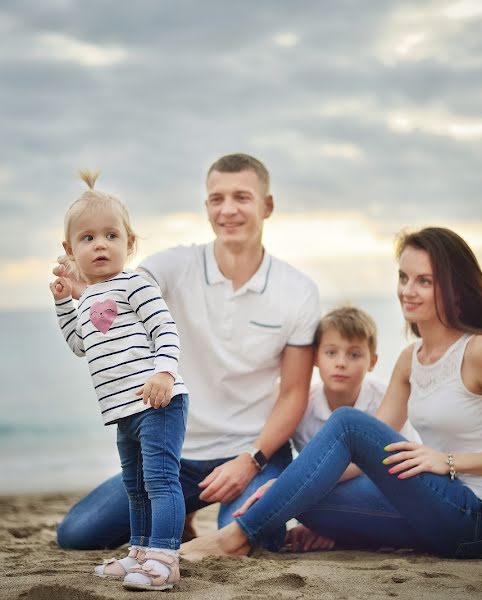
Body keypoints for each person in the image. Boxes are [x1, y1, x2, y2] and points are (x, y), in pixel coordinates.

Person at [180, 227, 482, 560]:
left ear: (455, 288)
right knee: (306, 497)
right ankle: (316, 527)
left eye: (424, 281)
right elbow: (365, 455)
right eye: (404, 278)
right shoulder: (411, 360)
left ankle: (234, 538)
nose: (408, 291)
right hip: (435, 511)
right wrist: (283, 486)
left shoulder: (481, 352)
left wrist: (449, 461)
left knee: (346, 423)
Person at [52, 154, 320, 551]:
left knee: (257, 538)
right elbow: (121, 286)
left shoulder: (298, 289)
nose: (228, 209)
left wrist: (251, 459)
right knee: (76, 534)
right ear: (207, 207)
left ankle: (202, 521)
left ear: (267, 206)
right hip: (177, 454)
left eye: (242, 197)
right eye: (216, 199)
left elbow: (294, 392)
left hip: (252, 451)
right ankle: (183, 515)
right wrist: (83, 283)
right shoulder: (174, 266)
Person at [52, 170, 187, 590]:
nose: (100, 245)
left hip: (158, 402)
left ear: (129, 243)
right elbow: (79, 345)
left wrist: (164, 372)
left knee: (160, 479)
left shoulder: (134, 283)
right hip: (122, 412)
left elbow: (165, 329)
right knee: (134, 486)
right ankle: (140, 553)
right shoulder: (87, 297)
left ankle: (165, 557)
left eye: (111, 235)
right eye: (87, 238)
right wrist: (62, 303)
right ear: (70, 250)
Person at [285, 305, 418, 552]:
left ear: (373, 361)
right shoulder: (303, 407)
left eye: (354, 355)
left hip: (388, 489)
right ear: (315, 357)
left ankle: (341, 535)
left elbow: (382, 470)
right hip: (336, 493)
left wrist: (330, 526)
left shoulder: (386, 400)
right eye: (331, 353)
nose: (341, 363)